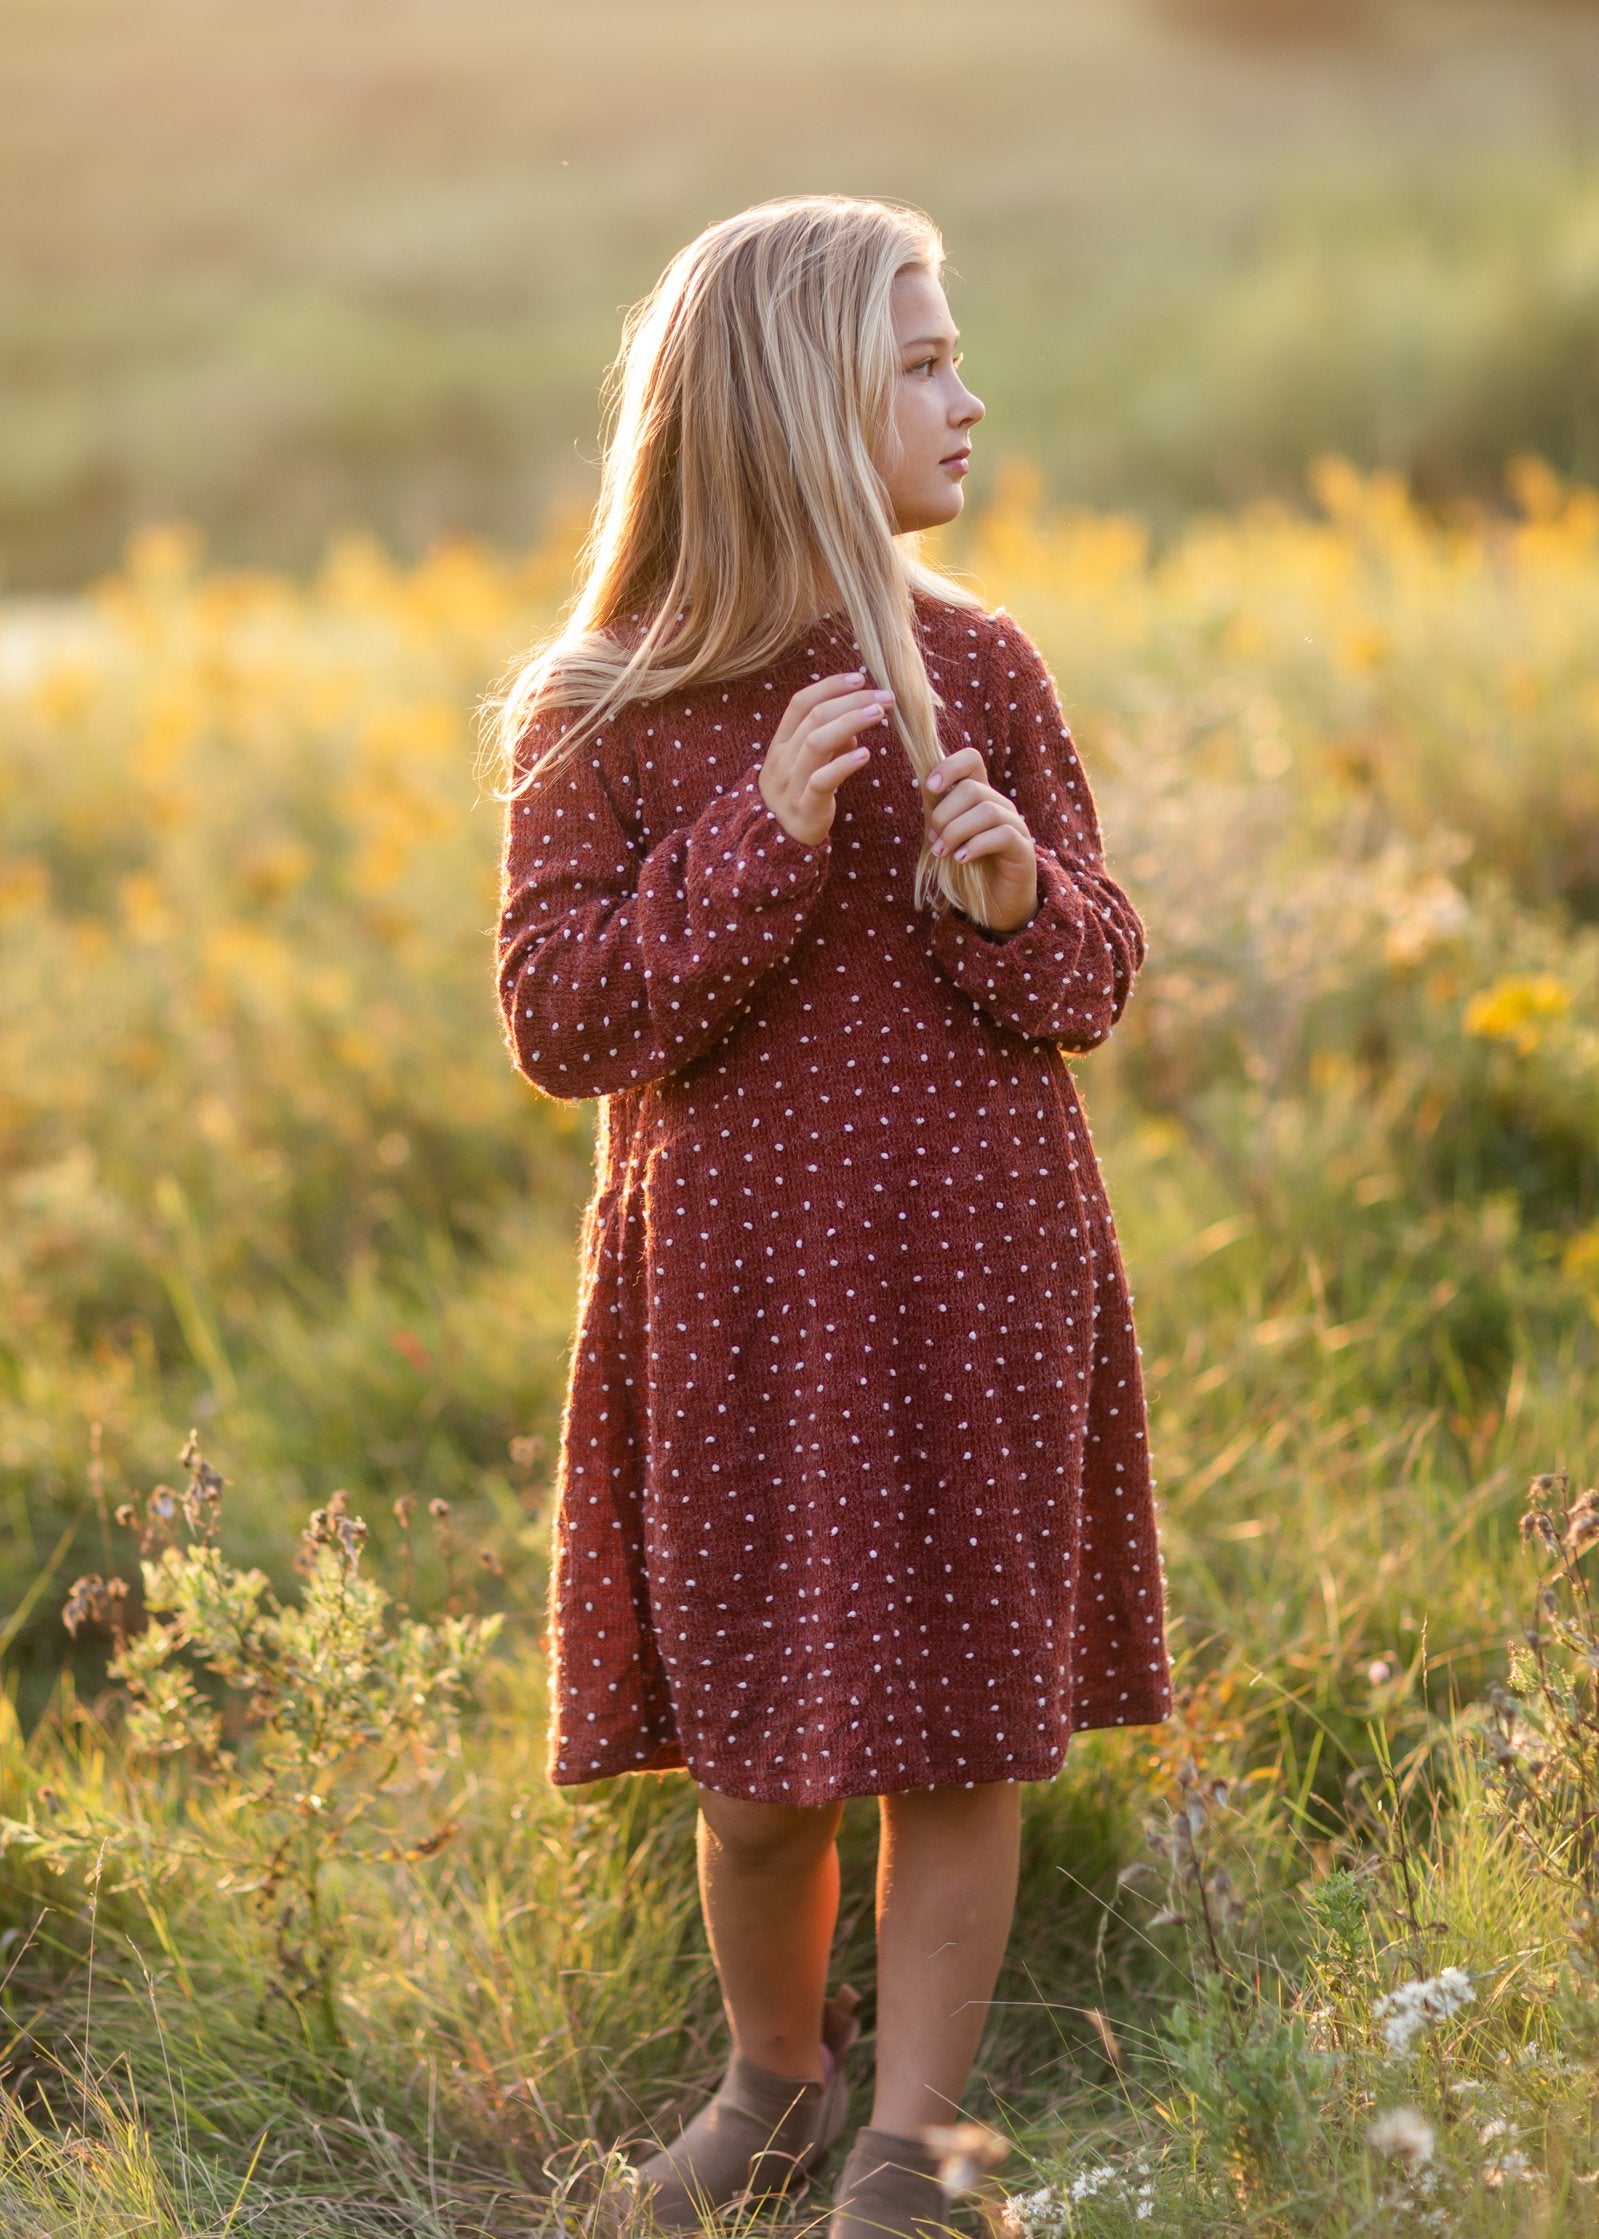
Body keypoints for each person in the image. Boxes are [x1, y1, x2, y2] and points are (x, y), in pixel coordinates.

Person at [485, 193, 1174, 2239]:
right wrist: (754, 832)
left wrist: (1003, 898)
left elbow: (1092, 977)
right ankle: (769, 2088)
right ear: (797, 406)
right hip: (739, 1305)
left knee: (959, 1727)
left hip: (975, 1276)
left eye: (955, 357)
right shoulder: (598, 702)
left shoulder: (980, 665)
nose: (970, 400)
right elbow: (557, 1016)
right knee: (765, 1753)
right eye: (925, 363)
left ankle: (915, 2148)